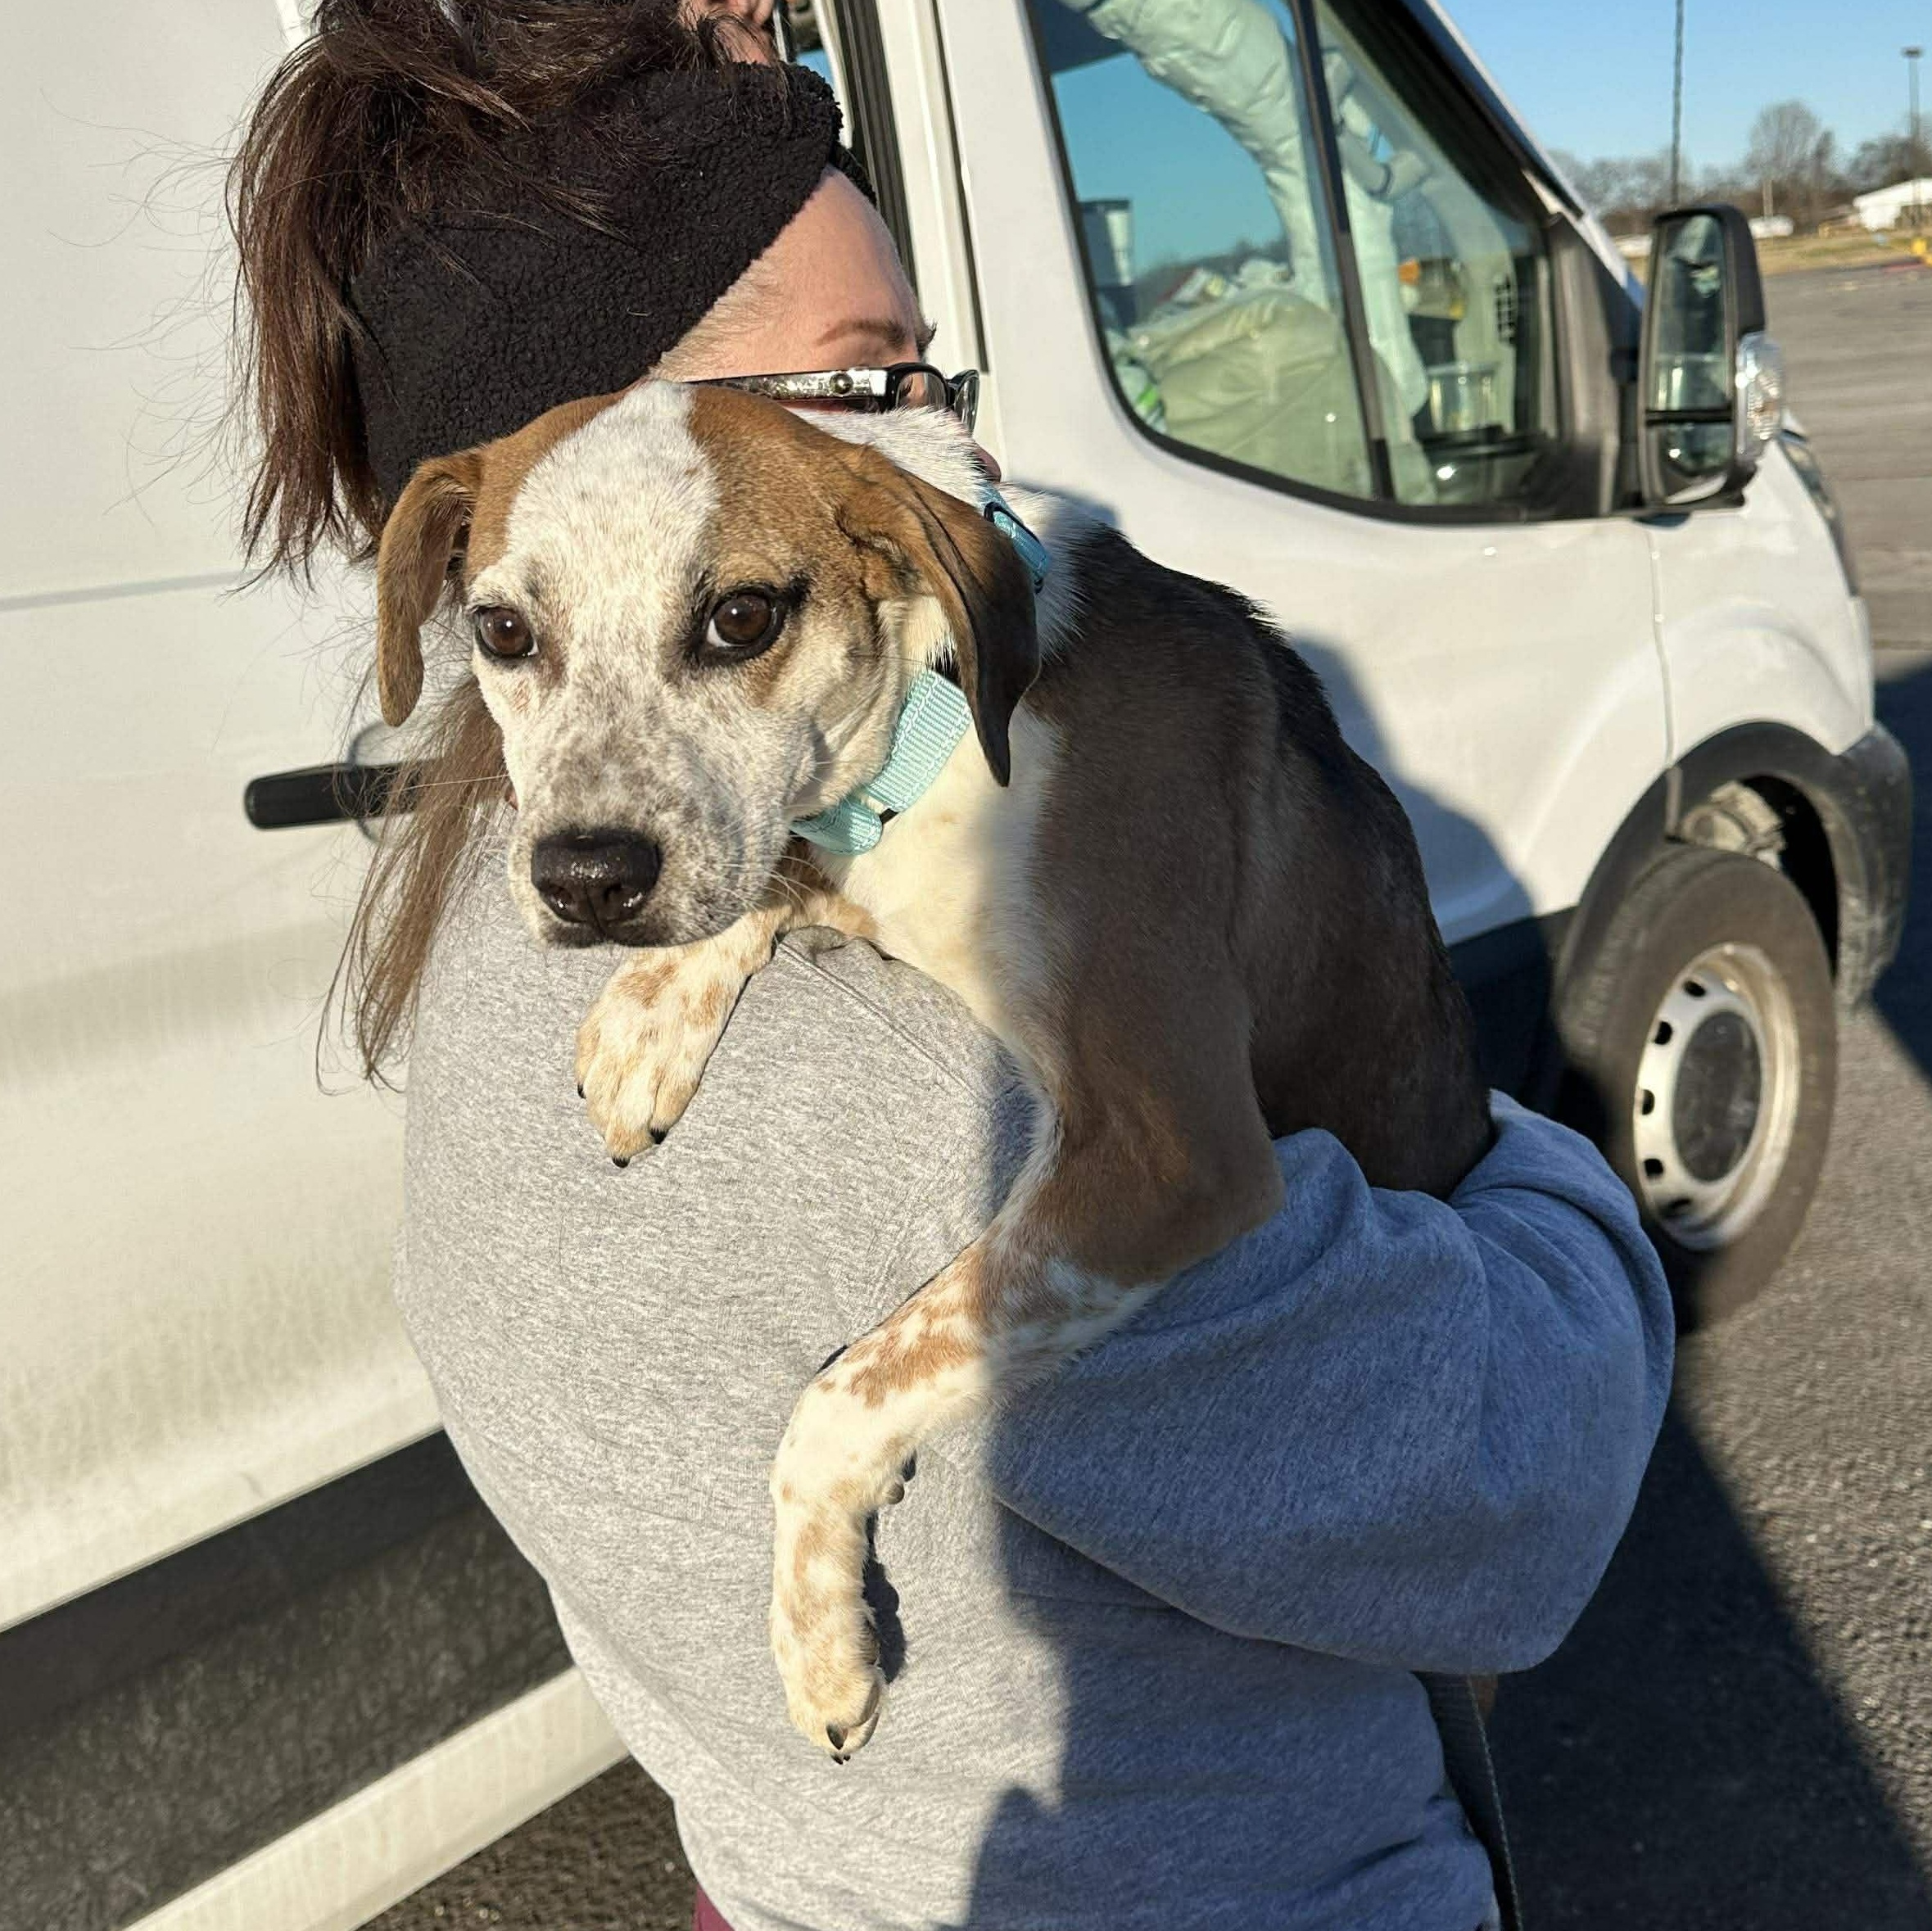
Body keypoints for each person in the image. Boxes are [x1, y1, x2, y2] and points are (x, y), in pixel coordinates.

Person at [229, 4, 1674, 1928]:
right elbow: (1520, 1504)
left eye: (924, 373)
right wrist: (1560, 1194)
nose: (948, 447)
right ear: (588, 464)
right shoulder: (915, 1097)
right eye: (862, 388)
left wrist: (735, 922)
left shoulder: (497, 975)